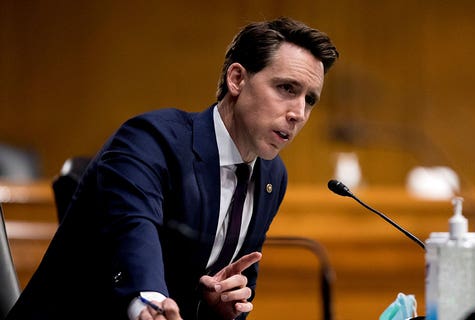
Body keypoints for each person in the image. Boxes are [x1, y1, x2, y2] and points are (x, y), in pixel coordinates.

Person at [7, 17, 338, 320]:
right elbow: (133, 231)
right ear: (237, 79)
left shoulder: (271, 176)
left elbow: (236, 283)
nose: (298, 113)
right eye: (286, 89)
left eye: (310, 100)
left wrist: (218, 308)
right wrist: (150, 302)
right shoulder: (152, 140)